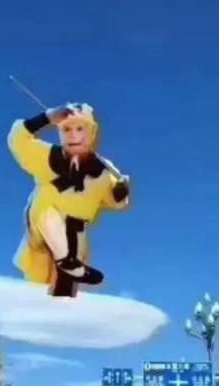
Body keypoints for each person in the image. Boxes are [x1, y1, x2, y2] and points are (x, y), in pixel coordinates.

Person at [7, 102, 132, 296]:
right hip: (43, 227)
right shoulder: (48, 157)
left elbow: (114, 200)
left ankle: (67, 275)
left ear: (91, 133)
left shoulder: (103, 172)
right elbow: (18, 140)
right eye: (66, 129)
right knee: (38, 282)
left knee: (63, 290)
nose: (73, 135)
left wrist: (121, 191)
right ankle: (65, 263)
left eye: (80, 129)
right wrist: (47, 117)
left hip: (75, 234)